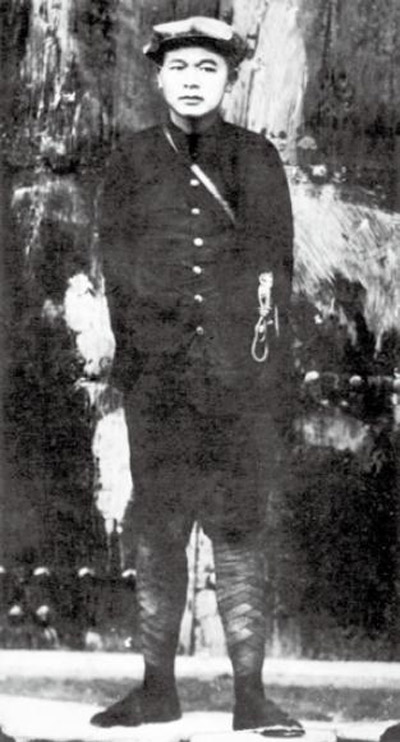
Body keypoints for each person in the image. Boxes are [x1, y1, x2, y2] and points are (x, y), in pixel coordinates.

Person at [91, 15, 303, 736]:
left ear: (229, 81)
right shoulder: (130, 161)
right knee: (158, 531)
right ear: (158, 78)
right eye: (178, 67)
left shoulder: (257, 160)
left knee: (240, 532)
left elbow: (276, 271)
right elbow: (117, 269)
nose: (191, 80)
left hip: (240, 385)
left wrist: (260, 372)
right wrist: (146, 356)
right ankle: (157, 690)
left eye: (207, 69)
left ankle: (251, 699)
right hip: (159, 383)